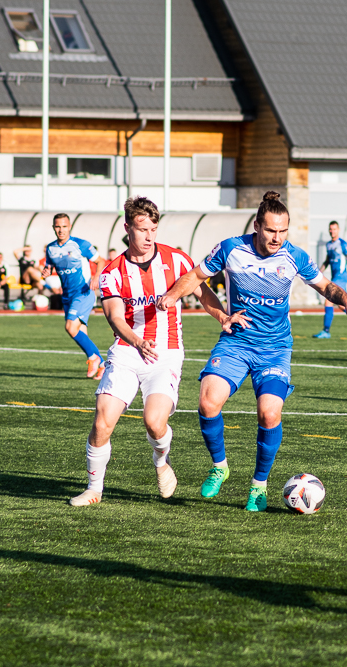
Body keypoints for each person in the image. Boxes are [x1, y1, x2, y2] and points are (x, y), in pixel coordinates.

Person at [158, 191, 347, 511]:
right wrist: (174, 296)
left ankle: (259, 486)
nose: (277, 238)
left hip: (274, 348)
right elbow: (196, 276)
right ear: (257, 225)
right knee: (207, 402)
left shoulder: (294, 256)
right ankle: (220, 467)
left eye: (283, 231)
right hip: (236, 342)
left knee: (269, 413)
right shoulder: (231, 249)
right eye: (271, 230)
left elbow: (325, 286)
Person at [69, 197, 247, 506]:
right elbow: (115, 317)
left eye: (153, 229)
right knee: (102, 422)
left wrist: (222, 316)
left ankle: (161, 461)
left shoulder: (176, 260)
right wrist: (137, 342)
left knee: (154, 422)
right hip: (127, 351)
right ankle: (94, 489)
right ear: (128, 228)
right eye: (142, 229)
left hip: (166, 353)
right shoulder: (113, 272)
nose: (149, 236)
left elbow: (202, 292)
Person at [41, 213, 108, 380]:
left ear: (69, 227)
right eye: (58, 226)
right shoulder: (50, 248)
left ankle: (94, 358)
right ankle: (101, 364)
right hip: (67, 295)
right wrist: (46, 271)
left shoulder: (81, 244)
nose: (61, 230)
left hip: (83, 292)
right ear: (53, 228)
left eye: (64, 226)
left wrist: (96, 277)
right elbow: (49, 266)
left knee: (70, 327)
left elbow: (101, 261)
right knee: (79, 331)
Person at [313, 220, 347, 339]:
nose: (332, 231)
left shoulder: (343, 244)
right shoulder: (329, 245)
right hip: (335, 278)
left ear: (339, 230)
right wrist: (317, 273)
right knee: (342, 305)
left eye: (334, 229)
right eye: (330, 229)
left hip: (341, 277)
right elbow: (327, 261)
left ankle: (326, 331)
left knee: (328, 300)